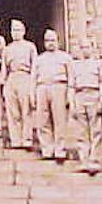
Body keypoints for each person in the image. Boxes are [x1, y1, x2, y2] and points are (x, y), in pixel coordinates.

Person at [32, 29, 72, 161]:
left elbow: (71, 78)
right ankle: (47, 149)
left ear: (58, 41)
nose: (50, 43)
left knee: (59, 119)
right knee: (43, 120)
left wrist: (69, 94)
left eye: (53, 40)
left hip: (59, 87)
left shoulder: (65, 58)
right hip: (42, 87)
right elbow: (33, 78)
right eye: (48, 40)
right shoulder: (39, 59)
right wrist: (33, 95)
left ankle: (60, 149)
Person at [71, 39, 102, 174]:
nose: (85, 49)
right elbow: (71, 87)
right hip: (80, 95)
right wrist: (73, 103)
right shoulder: (75, 65)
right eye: (82, 47)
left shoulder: (98, 64)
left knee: (96, 130)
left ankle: (94, 159)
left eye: (87, 47)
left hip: (94, 94)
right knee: (81, 131)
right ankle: (84, 160)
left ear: (92, 48)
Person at [3, 19, 38, 149]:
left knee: (26, 110)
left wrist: (33, 83)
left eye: (18, 30)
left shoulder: (30, 47)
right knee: (13, 111)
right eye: (13, 30)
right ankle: (15, 139)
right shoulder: (8, 49)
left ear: (23, 31)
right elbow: (4, 68)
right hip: (12, 77)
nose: (16, 33)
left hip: (25, 77)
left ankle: (27, 139)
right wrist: (4, 84)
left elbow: (34, 66)